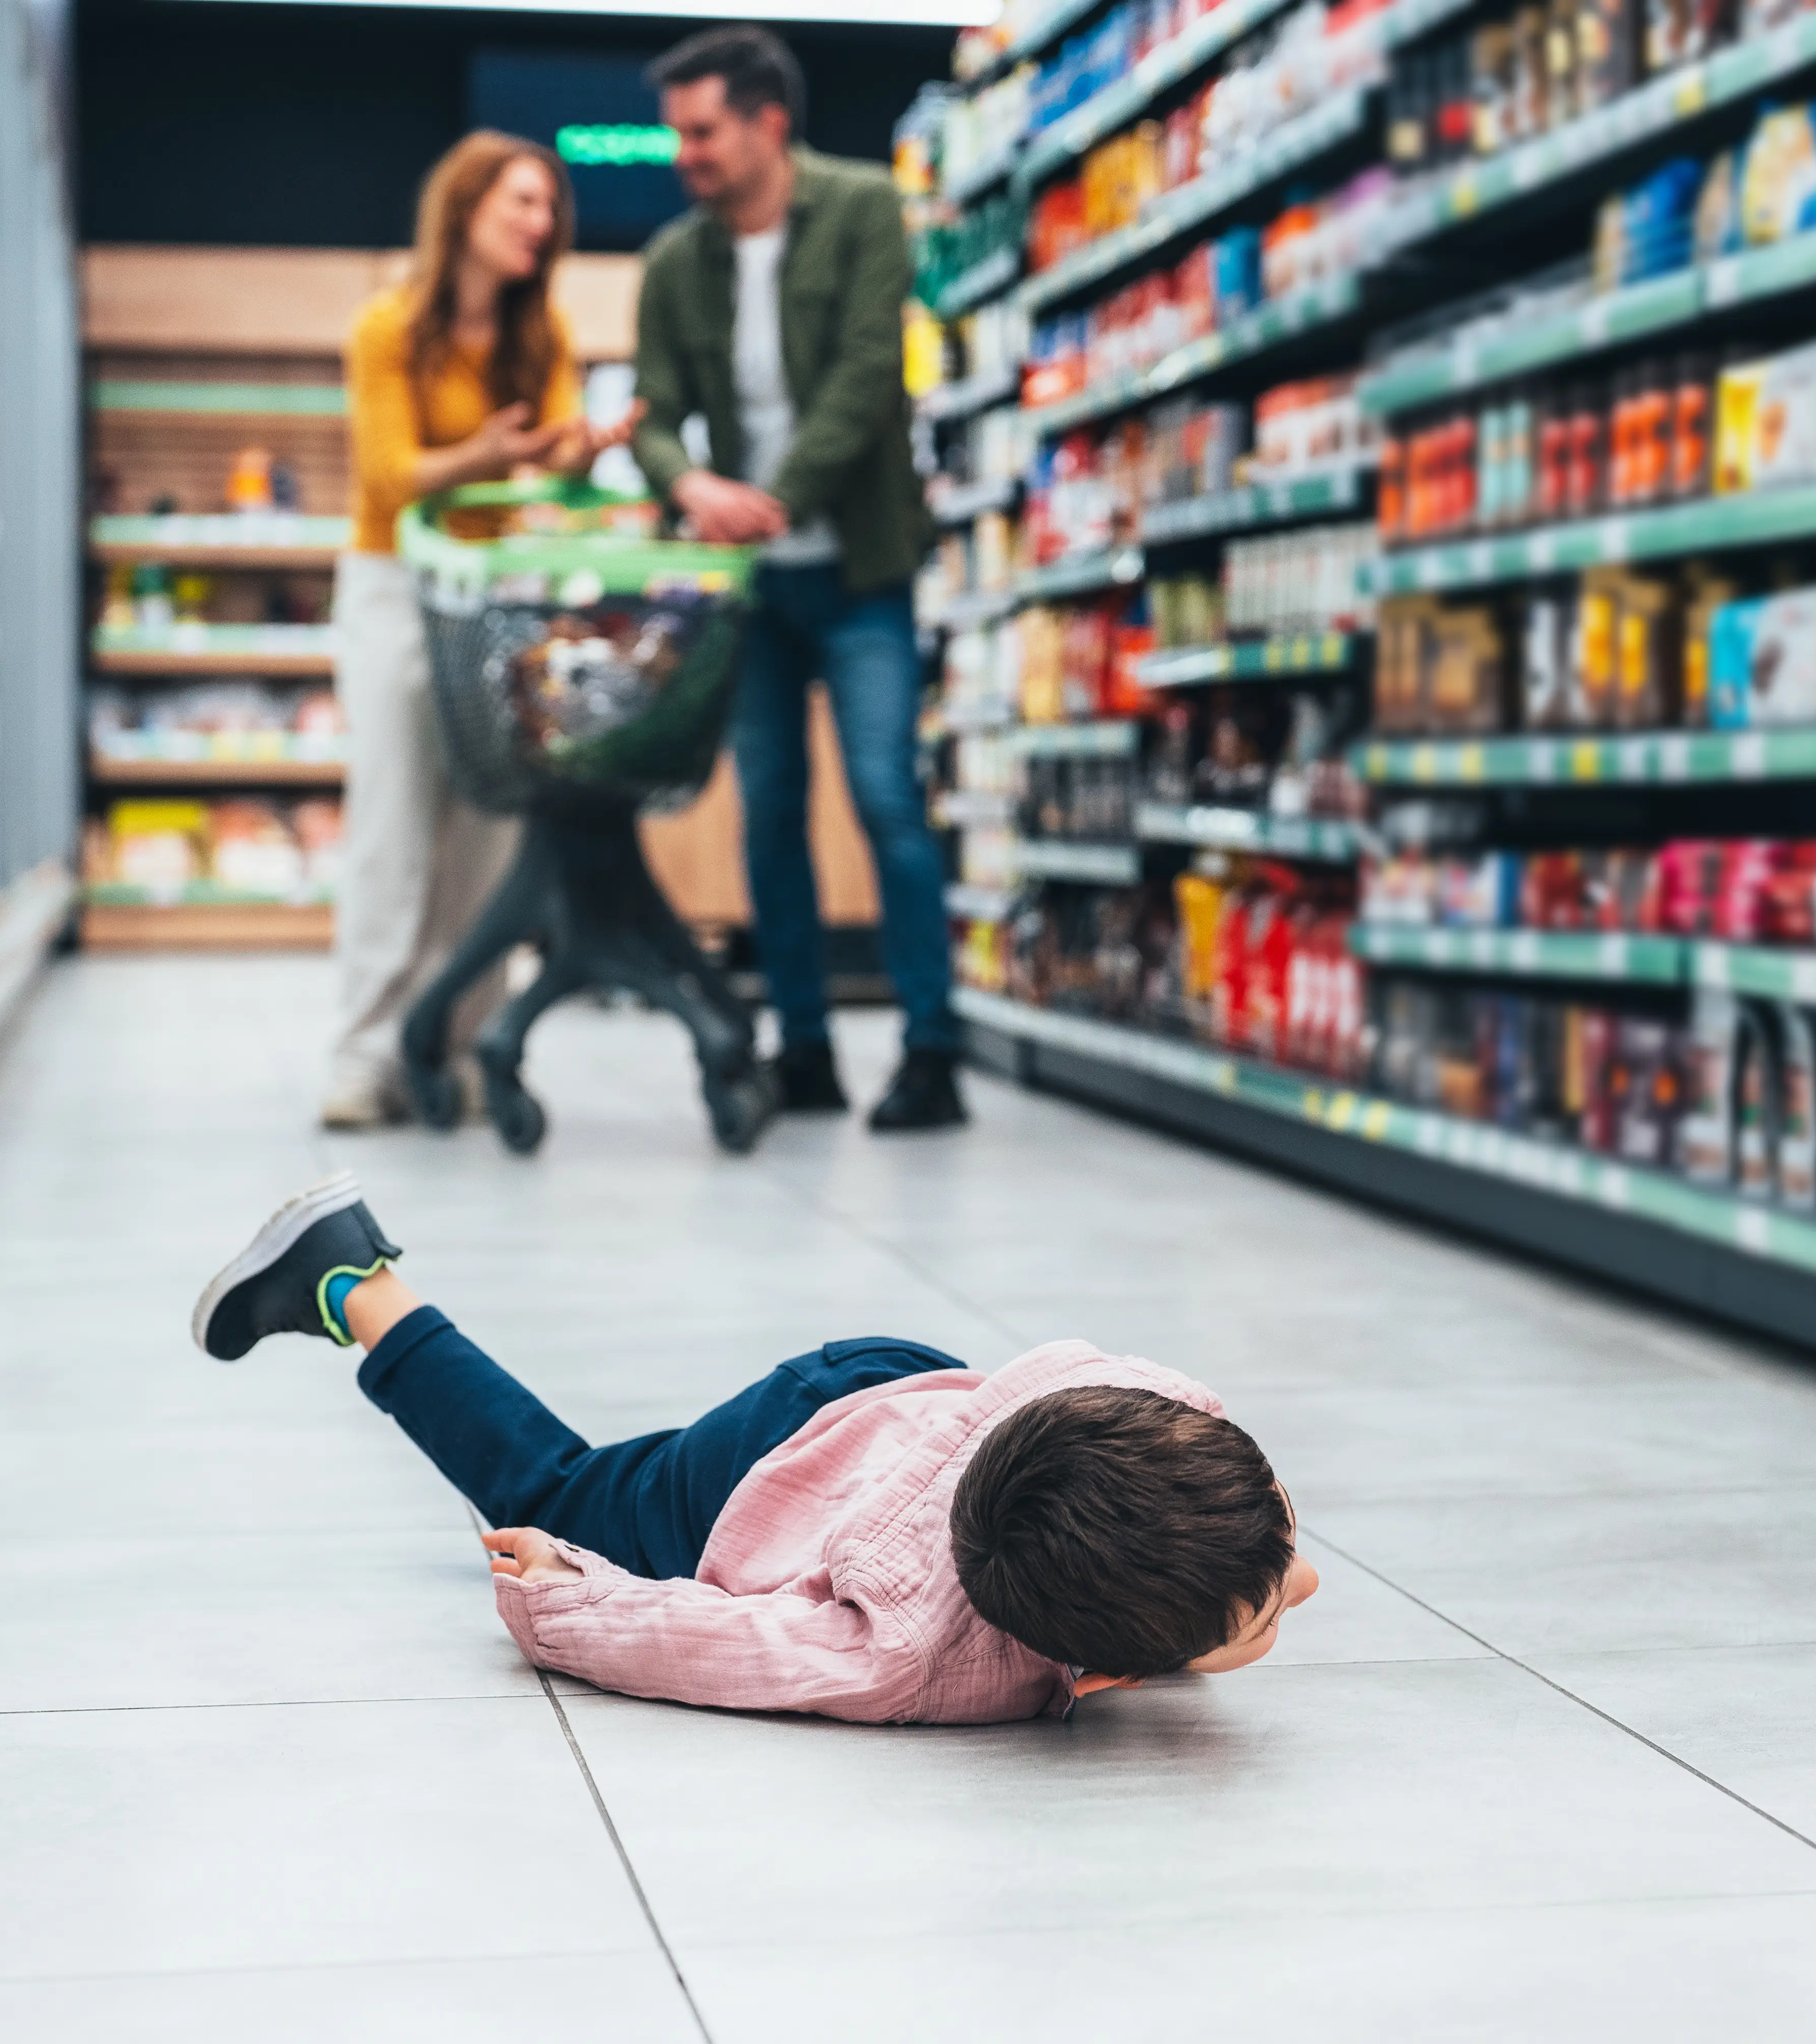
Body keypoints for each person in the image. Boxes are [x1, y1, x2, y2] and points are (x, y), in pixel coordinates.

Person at [192, 1176, 1322, 1723]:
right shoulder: (913, 1656)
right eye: (1269, 1609)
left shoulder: (1157, 1403)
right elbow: (727, 1640)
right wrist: (568, 1593)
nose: (1308, 1577)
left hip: (894, 1382)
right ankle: (353, 1279)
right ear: (1107, 1674)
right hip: (751, 1480)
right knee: (562, 1486)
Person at [633, 27, 966, 1134]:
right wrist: (691, 488)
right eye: (676, 132)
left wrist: (768, 497)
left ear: (770, 122)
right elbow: (650, 410)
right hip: (751, 593)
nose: (685, 152)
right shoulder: (679, 261)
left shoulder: (866, 207)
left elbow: (872, 374)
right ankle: (806, 1047)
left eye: (702, 130)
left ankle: (932, 1049)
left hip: (860, 565)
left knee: (884, 796)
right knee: (768, 814)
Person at [323, 133, 642, 1129]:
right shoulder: (389, 328)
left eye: (548, 208)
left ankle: (457, 1047)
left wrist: (580, 459)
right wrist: (489, 455)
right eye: (520, 203)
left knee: (490, 836)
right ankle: (364, 1056)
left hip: (495, 595)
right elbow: (388, 477)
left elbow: (541, 481)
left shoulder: (540, 332)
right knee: (392, 825)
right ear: (464, 211)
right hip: (394, 582)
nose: (538, 224)